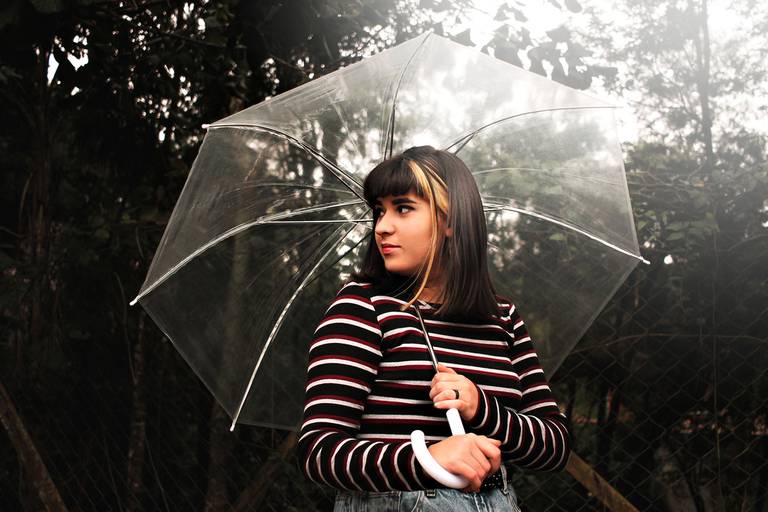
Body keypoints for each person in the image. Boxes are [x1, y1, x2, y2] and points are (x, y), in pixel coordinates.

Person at [297, 145, 570, 511]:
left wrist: (481, 408)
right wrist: (427, 458)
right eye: (379, 211)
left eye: (403, 208)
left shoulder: (502, 317)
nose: (382, 227)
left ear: (451, 219)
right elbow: (319, 451)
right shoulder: (363, 306)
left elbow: (555, 446)